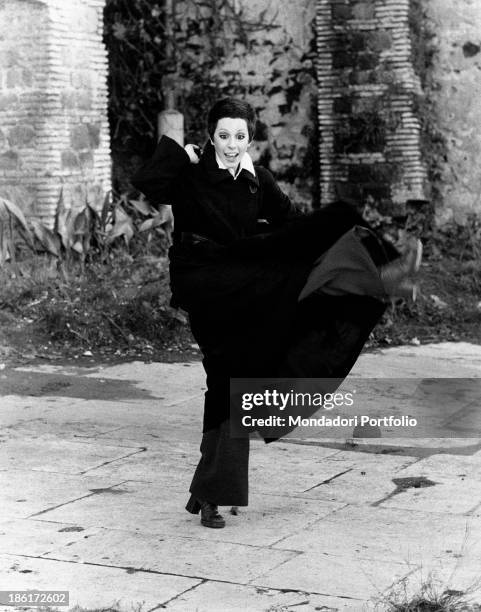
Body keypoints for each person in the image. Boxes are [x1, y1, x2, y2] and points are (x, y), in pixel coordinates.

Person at [131, 97, 422, 529]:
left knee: (232, 383)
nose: (232, 145)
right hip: (207, 287)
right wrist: (179, 152)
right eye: (224, 136)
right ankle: (210, 492)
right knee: (228, 380)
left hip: (248, 285)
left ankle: (209, 494)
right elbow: (149, 184)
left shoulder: (257, 181)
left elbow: (292, 225)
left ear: (251, 138)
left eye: (241, 136)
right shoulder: (190, 175)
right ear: (211, 136)